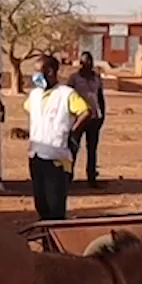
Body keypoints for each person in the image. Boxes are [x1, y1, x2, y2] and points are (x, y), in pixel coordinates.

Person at [23, 56, 95, 222]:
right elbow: (29, 109)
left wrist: (72, 132)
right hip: (36, 155)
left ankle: (56, 242)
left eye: (37, 71)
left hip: (57, 158)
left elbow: (85, 111)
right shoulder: (34, 95)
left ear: (49, 72)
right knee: (41, 203)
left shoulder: (66, 94)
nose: (35, 76)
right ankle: (46, 240)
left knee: (55, 205)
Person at [67, 52, 107, 186]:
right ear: (81, 63)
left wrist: (102, 116)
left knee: (92, 149)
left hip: (94, 118)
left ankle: (91, 177)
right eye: (85, 62)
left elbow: (100, 97)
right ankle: (68, 177)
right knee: (73, 147)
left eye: (90, 62)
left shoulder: (96, 78)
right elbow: (67, 97)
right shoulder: (74, 79)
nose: (88, 65)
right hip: (78, 118)